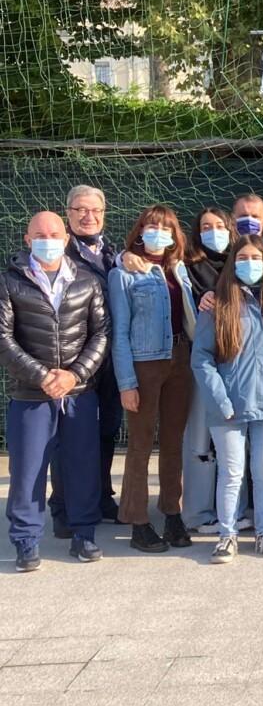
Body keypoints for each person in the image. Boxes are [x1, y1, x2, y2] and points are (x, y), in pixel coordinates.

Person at [1, 212, 109, 571]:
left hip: (79, 392)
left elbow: (101, 333)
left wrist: (75, 375)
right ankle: (26, 542)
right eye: (39, 234)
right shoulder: (8, 282)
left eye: (54, 234)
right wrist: (43, 376)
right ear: (27, 239)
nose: (47, 240)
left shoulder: (87, 281)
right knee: (27, 471)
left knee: (82, 466)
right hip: (31, 395)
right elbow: (3, 338)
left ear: (66, 239)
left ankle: (84, 534)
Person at [190, 235, 263, 563]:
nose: (250, 264)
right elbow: (201, 358)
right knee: (232, 473)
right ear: (233, 263)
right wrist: (221, 400)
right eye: (243, 258)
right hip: (229, 406)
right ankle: (227, 535)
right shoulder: (217, 304)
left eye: (256, 258)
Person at [109, 205, 197, 552]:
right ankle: (137, 521)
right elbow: (120, 332)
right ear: (140, 230)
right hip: (145, 363)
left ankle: (172, 513)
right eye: (151, 225)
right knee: (141, 444)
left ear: (174, 235)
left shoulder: (179, 269)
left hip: (180, 358)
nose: (158, 232)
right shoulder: (124, 273)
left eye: (165, 227)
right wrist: (126, 383)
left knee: (174, 442)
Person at [48, 185, 120, 530]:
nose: (88, 216)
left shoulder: (113, 253)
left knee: (107, 430)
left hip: (110, 359)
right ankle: (62, 507)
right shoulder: (58, 256)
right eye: (80, 209)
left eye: (95, 210)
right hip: (73, 361)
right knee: (69, 437)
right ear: (68, 214)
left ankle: (101, 496)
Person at [178, 207, 238, 536]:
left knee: (234, 440)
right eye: (205, 227)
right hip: (201, 363)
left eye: (219, 226)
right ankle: (198, 513)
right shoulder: (187, 267)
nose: (213, 232)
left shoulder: (241, 263)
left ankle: (233, 510)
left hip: (237, 364)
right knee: (200, 441)